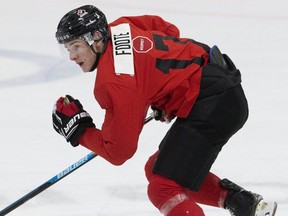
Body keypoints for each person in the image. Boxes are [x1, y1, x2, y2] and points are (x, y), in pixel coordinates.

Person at [52, 5, 277, 216]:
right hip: (219, 83)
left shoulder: (113, 83)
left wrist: (80, 131)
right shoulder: (121, 27)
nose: (72, 56)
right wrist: (163, 90)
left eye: (76, 46)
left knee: (163, 188)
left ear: (97, 39)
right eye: (68, 49)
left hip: (214, 103)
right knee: (156, 170)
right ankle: (247, 205)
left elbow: (119, 151)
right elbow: (166, 29)